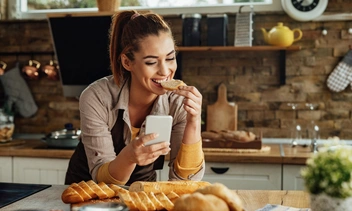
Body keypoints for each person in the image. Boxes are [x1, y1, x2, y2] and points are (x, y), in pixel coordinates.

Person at [65, 10, 205, 185]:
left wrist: (193, 120)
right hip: (87, 191)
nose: (164, 71)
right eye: (151, 62)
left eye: (170, 58)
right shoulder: (97, 97)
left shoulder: (178, 102)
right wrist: (130, 157)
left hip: (141, 190)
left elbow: (185, 182)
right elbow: (103, 180)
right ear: (127, 62)